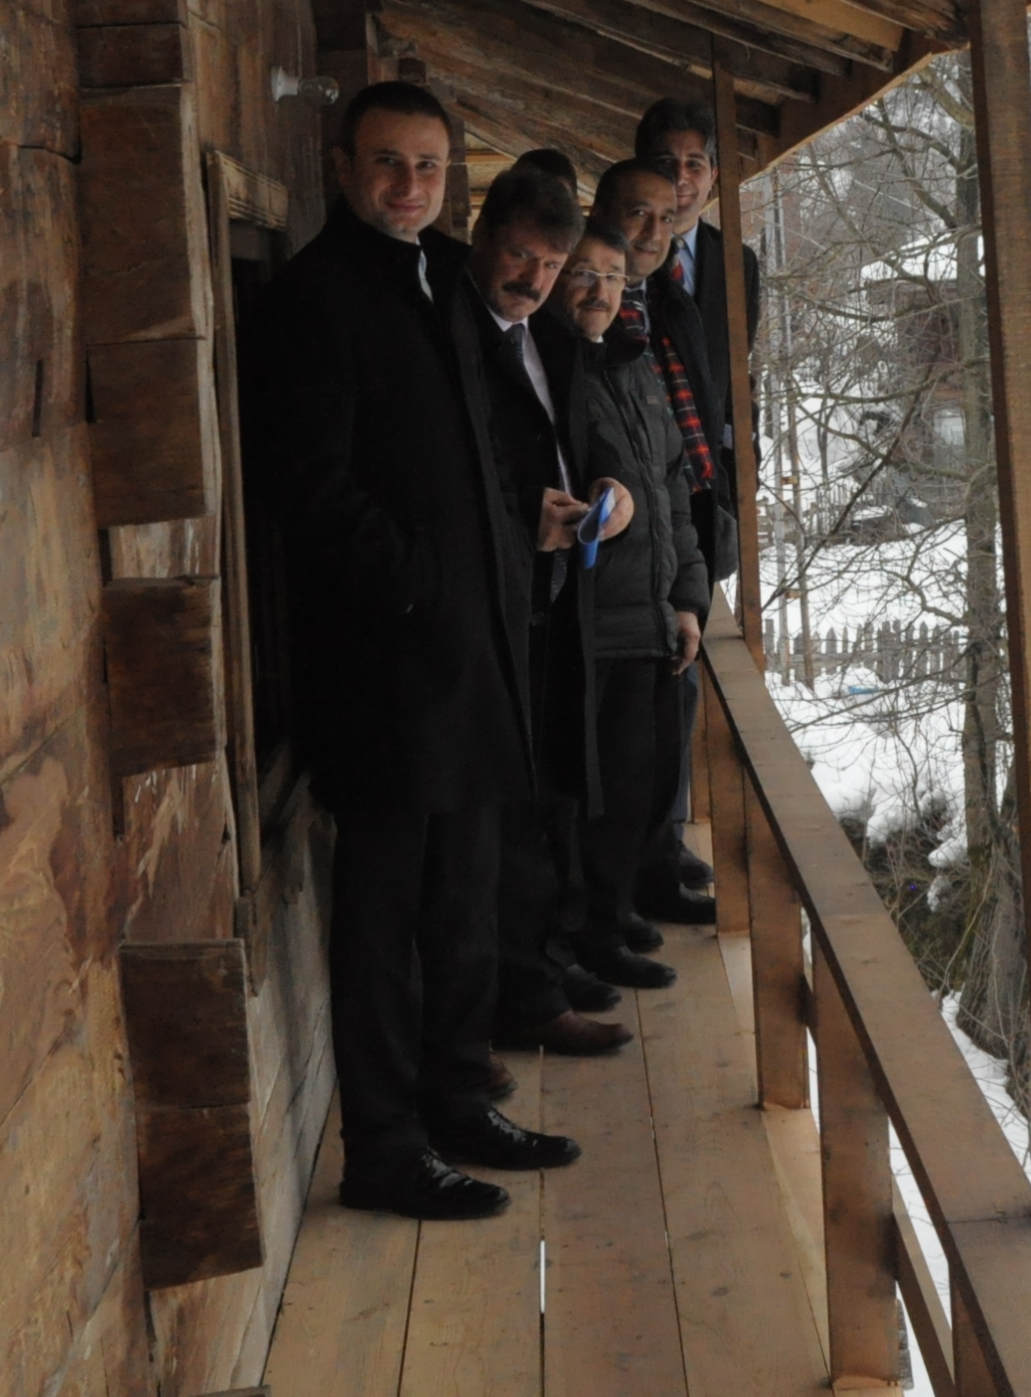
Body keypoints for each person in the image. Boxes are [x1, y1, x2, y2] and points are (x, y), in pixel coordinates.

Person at [256, 83, 580, 1222]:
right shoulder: (315, 296)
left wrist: (510, 529)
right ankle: (386, 1149)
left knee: (463, 898)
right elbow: (315, 490)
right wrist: (427, 584)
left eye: (430, 166)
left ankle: (456, 1097)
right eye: (388, 164)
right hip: (386, 669)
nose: (408, 186)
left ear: (455, 176)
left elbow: (475, 447)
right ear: (344, 165)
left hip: (473, 652)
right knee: (384, 918)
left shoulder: (443, 278)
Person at [454, 159, 636, 1057]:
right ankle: (518, 998)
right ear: (484, 238)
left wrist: (613, 489)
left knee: (556, 801)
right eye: (520, 256)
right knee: (511, 821)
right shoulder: (453, 335)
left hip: (559, 600)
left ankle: (542, 966)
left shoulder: (551, 340)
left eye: (552, 266)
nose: (533, 280)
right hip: (488, 610)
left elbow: (590, 439)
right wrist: (520, 523)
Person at [553, 209, 707, 990]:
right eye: (583, 272)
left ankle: (611, 915)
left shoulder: (636, 367)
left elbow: (674, 491)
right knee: (598, 793)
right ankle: (590, 930)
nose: (599, 291)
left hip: (647, 615)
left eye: (612, 277)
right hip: (587, 622)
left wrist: (685, 600)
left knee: (641, 780)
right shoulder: (554, 370)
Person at [627, 99, 764, 923]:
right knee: (646, 676)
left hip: (703, 505)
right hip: (633, 499)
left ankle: (668, 832)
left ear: (715, 177)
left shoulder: (732, 263)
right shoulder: (612, 256)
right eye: (666, 163)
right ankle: (642, 846)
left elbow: (735, 392)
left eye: (695, 165)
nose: (681, 181)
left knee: (685, 674)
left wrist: (733, 495)